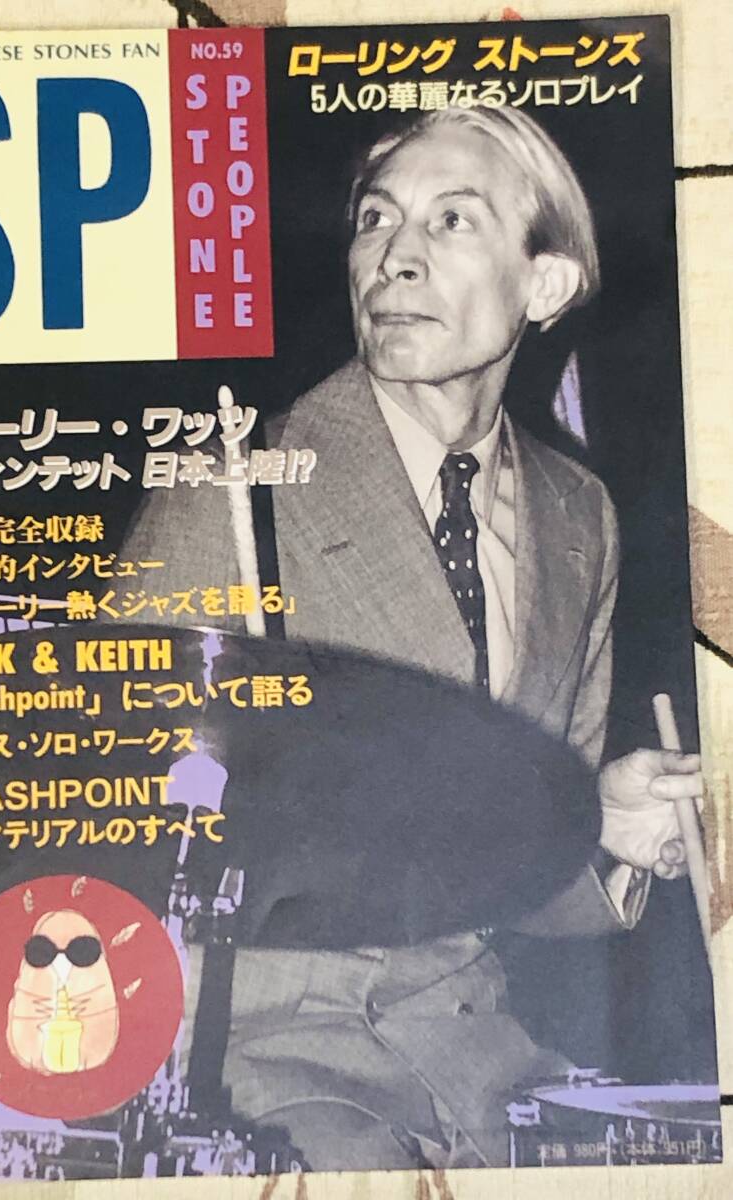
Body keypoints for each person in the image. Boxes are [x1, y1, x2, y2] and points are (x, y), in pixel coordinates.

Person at [116, 107, 703, 1170]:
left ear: (544, 285)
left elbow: (502, 873)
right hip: (252, 1064)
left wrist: (599, 829)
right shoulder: (232, 493)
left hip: (476, 1056)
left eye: (452, 220)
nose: (395, 255)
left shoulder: (579, 516)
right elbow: (100, 836)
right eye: (376, 220)